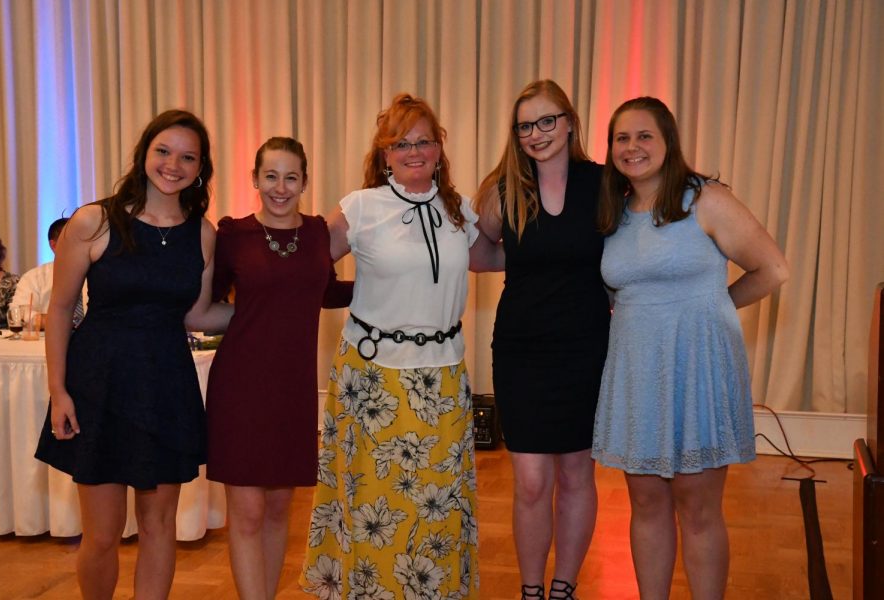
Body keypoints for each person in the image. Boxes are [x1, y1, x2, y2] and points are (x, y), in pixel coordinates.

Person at [300, 93, 501, 599]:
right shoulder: (360, 208)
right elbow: (303, 271)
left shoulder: (459, 211)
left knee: (436, 505)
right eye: (401, 143)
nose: (414, 151)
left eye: (424, 141)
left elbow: (493, 258)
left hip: (444, 376)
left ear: (439, 148)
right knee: (374, 508)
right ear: (384, 153)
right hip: (372, 381)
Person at [591, 97, 789, 600]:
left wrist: (711, 307)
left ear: (668, 142)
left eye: (644, 136)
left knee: (697, 509)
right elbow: (618, 290)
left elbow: (773, 269)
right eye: (621, 138)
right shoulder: (611, 212)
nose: (631, 147)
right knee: (646, 506)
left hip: (698, 366)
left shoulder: (706, 200)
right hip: (638, 367)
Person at [34, 109, 233, 600]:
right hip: (98, 385)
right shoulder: (94, 220)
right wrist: (57, 391)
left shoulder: (203, 234)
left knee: (159, 527)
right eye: (164, 151)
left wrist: (270, 307)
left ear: (200, 168)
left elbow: (199, 315)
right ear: (145, 151)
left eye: (188, 157)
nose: (173, 164)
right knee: (102, 533)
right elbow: (59, 311)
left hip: (167, 385)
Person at [474, 80, 609, 600]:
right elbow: (481, 250)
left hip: (586, 348)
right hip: (521, 351)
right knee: (531, 481)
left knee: (576, 474)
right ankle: (531, 591)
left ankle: (563, 588)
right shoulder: (502, 189)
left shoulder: (604, 183)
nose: (537, 134)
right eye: (526, 125)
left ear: (570, 122)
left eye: (547, 121)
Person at [205, 136, 353, 599]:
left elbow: (323, 293)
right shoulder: (232, 235)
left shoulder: (316, 234)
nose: (280, 187)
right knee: (247, 512)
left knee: (277, 511)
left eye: (291, 177)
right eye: (270, 176)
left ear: (305, 181)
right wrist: (252, 315)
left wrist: (384, 289)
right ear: (254, 178)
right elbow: (206, 306)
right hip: (241, 387)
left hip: (292, 389)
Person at [12, 217, 88, 326]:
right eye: (74, 241)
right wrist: (58, 320)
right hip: (46, 340)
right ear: (54, 245)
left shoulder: (102, 274)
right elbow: (20, 313)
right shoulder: (34, 277)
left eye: (85, 240)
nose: (81, 246)